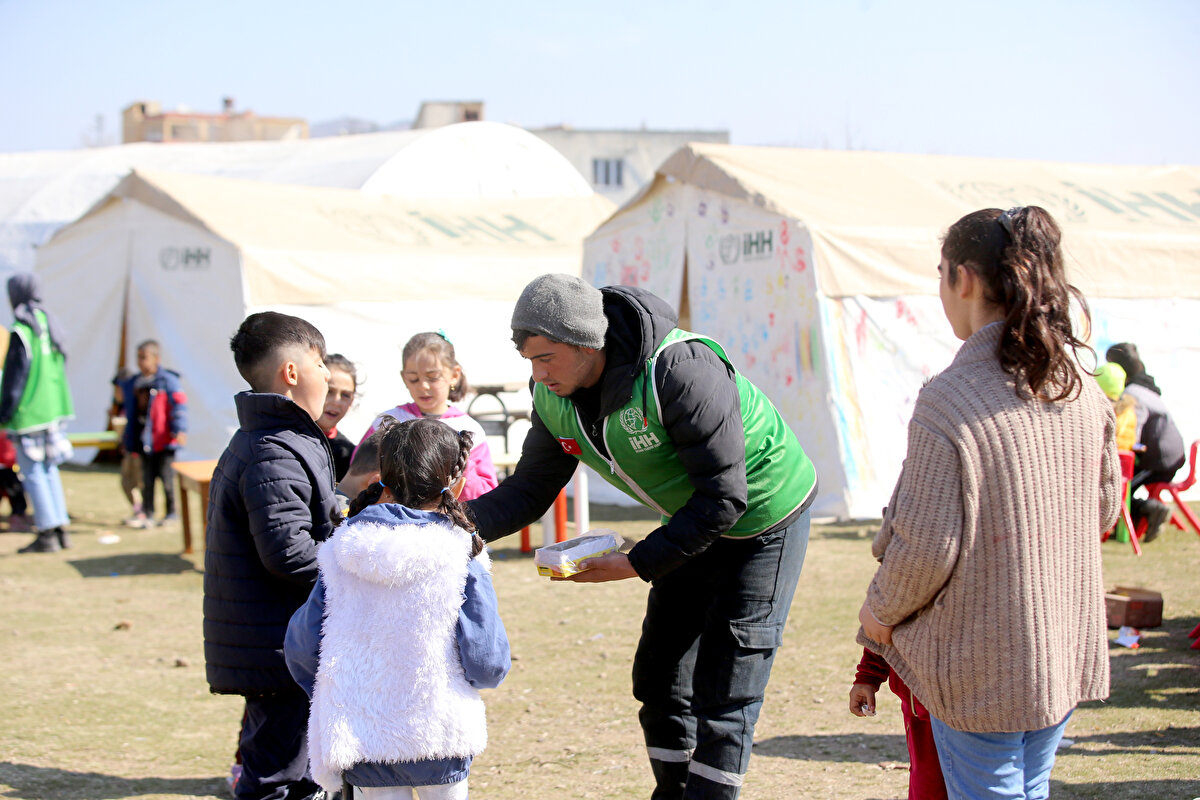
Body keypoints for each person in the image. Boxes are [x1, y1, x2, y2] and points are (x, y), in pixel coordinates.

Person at [466, 274, 818, 800]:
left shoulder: (680, 370)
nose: (537, 374)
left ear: (588, 343)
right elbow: (530, 488)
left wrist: (637, 562)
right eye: (529, 361)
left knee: (726, 692)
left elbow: (725, 496)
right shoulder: (552, 394)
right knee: (660, 678)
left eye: (546, 358)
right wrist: (448, 526)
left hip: (765, 519)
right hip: (691, 520)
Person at [857, 207, 1121, 800]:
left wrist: (878, 615)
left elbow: (925, 548)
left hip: (979, 660)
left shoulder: (950, 400)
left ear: (966, 280)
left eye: (942, 273)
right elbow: (1103, 511)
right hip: (1058, 642)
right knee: (1030, 789)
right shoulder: (1078, 388)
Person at [285, 418, 510, 799]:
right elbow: (487, 660)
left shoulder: (341, 549)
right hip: (442, 733)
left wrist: (337, 692)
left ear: (382, 477)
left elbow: (303, 647)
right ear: (455, 482)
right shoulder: (461, 553)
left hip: (363, 736)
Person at [203, 311, 335, 800]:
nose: (327, 376)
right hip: (277, 648)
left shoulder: (280, 438)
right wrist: (356, 555)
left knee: (301, 774)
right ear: (293, 372)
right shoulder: (271, 449)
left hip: (281, 641)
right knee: (275, 779)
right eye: (321, 363)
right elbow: (289, 554)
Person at [360, 331, 497, 501]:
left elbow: (486, 493)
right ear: (404, 378)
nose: (423, 386)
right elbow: (358, 476)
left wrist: (461, 466)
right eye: (413, 379)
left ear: (454, 375)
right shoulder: (388, 421)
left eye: (433, 378)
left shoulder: (469, 428)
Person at [0, 273, 74, 553]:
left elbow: (15, 377)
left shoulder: (22, 329)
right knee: (49, 469)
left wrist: (4, 411)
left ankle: (46, 533)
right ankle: (59, 528)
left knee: (33, 473)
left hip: (29, 411)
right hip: (53, 407)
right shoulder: (48, 322)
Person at [1105, 342, 1185, 542]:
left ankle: (1150, 509)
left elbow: (1132, 435)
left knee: (1117, 485)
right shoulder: (1146, 387)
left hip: (1160, 461)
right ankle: (1140, 517)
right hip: (1168, 456)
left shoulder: (1132, 394)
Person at [849, 648, 947, 800]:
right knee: (928, 787)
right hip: (922, 716)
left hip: (981, 713)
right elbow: (882, 626)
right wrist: (868, 674)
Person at [119, 340, 188, 527]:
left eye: (144, 357)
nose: (141, 362)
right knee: (146, 480)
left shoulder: (167, 381)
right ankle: (148, 513)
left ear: (156, 358)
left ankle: (171, 514)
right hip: (144, 439)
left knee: (166, 479)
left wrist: (179, 429)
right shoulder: (134, 382)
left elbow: (179, 405)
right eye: (138, 358)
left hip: (163, 439)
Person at [110, 368, 145, 526]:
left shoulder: (135, 404)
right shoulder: (124, 406)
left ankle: (141, 512)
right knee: (127, 483)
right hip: (130, 449)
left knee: (134, 483)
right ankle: (138, 511)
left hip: (137, 450)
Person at [317, 353, 357, 482]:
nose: (336, 401)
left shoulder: (349, 456)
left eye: (345, 395)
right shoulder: (286, 434)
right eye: (329, 391)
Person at [0, 431, 30, 531]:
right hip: (7, 466)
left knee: (16, 495)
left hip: (9, 467)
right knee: (16, 495)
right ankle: (17, 518)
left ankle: (18, 517)